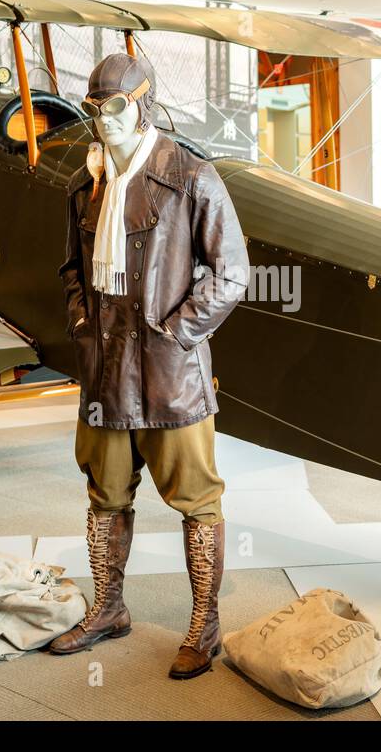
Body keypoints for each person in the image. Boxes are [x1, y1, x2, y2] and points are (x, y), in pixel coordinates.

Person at [51, 52, 250, 680]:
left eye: (113, 106)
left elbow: (232, 273)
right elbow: (71, 274)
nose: (102, 120)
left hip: (171, 378)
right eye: (93, 108)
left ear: (143, 102)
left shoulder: (190, 175)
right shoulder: (85, 186)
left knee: (197, 502)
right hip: (105, 375)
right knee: (104, 497)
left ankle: (204, 626)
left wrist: (175, 333)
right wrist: (84, 324)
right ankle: (109, 607)